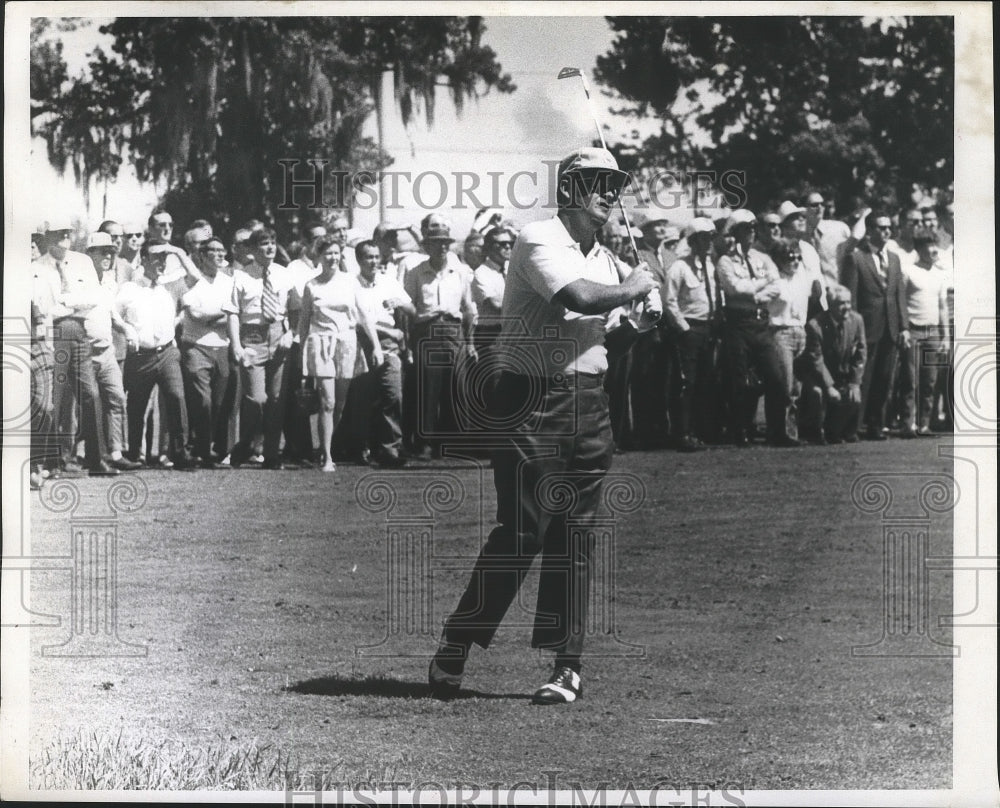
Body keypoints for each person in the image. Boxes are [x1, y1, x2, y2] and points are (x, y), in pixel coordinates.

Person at [429, 147, 657, 705]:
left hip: (587, 402)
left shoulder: (606, 260)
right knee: (523, 531)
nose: (610, 193)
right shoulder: (537, 240)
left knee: (575, 533)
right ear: (571, 189)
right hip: (529, 398)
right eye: (598, 183)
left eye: (615, 184)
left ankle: (567, 665)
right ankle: (458, 642)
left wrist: (639, 323)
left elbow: (600, 337)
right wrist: (637, 285)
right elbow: (577, 297)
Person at [35, 223, 119, 476]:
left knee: (90, 395)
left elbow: (93, 298)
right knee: (55, 400)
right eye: (59, 233)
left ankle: (97, 459)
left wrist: (64, 301)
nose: (65, 237)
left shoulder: (82, 262)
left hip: (80, 331)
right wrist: (69, 304)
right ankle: (53, 462)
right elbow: (43, 308)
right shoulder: (37, 268)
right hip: (54, 333)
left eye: (68, 232)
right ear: (47, 237)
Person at [297, 238, 382, 472]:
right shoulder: (311, 286)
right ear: (319, 257)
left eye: (336, 253)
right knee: (328, 401)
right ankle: (327, 457)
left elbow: (364, 316)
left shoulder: (349, 282)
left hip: (346, 343)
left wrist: (375, 346)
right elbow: (304, 323)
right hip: (320, 343)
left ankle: (325, 446)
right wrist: (302, 354)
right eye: (328, 254)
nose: (333, 258)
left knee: (340, 404)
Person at [717, 209, 795, 446]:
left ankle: (777, 431)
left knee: (776, 378)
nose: (750, 234)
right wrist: (760, 286)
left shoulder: (763, 260)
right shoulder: (725, 261)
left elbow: (777, 286)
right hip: (738, 323)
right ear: (735, 234)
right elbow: (734, 289)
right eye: (744, 230)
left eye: (752, 229)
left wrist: (756, 293)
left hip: (760, 323)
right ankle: (740, 430)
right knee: (739, 379)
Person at [402, 217, 478, 460]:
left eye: (445, 242)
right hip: (427, 330)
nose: (442, 247)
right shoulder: (416, 273)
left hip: (454, 331)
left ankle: (450, 442)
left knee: (456, 386)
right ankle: (424, 442)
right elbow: (407, 309)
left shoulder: (460, 273)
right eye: (436, 243)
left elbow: (468, 310)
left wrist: (470, 342)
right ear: (427, 246)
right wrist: (408, 345)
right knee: (428, 387)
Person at [115, 244, 195, 469]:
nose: (161, 263)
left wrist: (176, 250)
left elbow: (196, 278)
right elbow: (113, 312)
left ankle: (180, 453)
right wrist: (126, 330)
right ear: (143, 260)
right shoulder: (130, 288)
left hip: (167, 352)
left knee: (176, 397)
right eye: (156, 259)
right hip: (141, 356)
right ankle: (133, 454)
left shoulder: (171, 286)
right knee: (137, 406)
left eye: (164, 259)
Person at [224, 227, 295, 469]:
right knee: (257, 399)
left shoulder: (284, 274)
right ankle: (245, 444)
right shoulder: (242, 276)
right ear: (254, 250)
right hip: (251, 336)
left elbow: (296, 309)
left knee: (276, 399)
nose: (270, 247)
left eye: (273, 242)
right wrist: (236, 345)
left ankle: (272, 454)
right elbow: (233, 313)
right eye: (264, 243)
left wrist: (291, 334)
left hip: (278, 336)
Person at [841, 211, 909, 440]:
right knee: (862, 378)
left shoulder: (894, 258)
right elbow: (851, 298)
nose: (886, 231)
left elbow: (899, 295)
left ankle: (875, 425)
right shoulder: (856, 257)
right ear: (869, 231)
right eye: (881, 227)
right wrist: (851, 330)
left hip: (890, 328)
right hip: (866, 328)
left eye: (889, 227)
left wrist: (904, 327)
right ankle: (852, 426)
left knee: (883, 379)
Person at [663, 217, 723, 451]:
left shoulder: (710, 266)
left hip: (708, 328)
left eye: (710, 238)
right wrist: (684, 328)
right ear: (693, 241)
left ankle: (701, 430)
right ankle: (682, 433)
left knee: (705, 381)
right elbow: (669, 301)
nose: (707, 243)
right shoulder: (679, 267)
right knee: (686, 382)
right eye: (703, 238)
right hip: (689, 329)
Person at [353, 239, 415, 467]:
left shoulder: (388, 282)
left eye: (376, 257)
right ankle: (360, 448)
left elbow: (412, 309)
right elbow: (358, 321)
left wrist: (398, 302)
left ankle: (391, 450)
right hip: (361, 343)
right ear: (359, 260)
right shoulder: (351, 284)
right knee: (362, 399)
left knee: (393, 395)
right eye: (369, 257)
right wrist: (388, 330)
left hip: (389, 345)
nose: (373, 262)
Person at [84, 232, 143, 470]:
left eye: (110, 251)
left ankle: (116, 453)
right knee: (88, 403)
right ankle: (83, 457)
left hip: (106, 348)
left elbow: (111, 314)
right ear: (90, 254)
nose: (108, 255)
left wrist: (126, 329)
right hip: (84, 350)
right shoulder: (79, 279)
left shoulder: (109, 282)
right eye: (102, 251)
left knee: (117, 397)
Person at [179, 236, 237, 467]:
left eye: (222, 250)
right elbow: (196, 315)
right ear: (202, 256)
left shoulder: (228, 281)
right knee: (203, 401)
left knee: (220, 403)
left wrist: (219, 315)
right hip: (196, 347)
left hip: (222, 347)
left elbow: (234, 313)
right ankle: (201, 448)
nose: (220, 254)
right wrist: (222, 314)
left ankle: (212, 448)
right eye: (214, 251)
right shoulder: (192, 281)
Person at [767, 237, 826, 442]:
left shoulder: (802, 277)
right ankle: (780, 431)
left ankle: (793, 430)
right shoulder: (773, 279)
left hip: (800, 331)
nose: (794, 261)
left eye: (797, 258)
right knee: (785, 385)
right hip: (780, 331)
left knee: (797, 387)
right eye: (789, 257)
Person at [795, 284, 867, 444]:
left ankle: (837, 431)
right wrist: (828, 386)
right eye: (841, 303)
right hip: (816, 374)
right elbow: (816, 360)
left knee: (854, 396)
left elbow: (861, 353)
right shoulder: (815, 326)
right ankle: (813, 431)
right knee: (817, 393)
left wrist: (854, 382)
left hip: (842, 373)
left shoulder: (857, 320)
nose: (847, 307)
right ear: (831, 305)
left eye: (848, 302)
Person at [898, 228, 949, 437]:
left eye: (935, 245)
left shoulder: (940, 274)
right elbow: (900, 301)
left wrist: (945, 335)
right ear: (919, 249)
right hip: (913, 330)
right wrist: (904, 329)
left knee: (930, 380)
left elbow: (943, 306)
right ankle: (907, 424)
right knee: (910, 379)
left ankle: (924, 424)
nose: (933, 249)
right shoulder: (908, 271)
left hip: (933, 332)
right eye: (929, 246)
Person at [803, 191, 853, 287]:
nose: (820, 208)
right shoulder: (801, 237)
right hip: (813, 295)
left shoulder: (840, 229)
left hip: (840, 290)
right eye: (814, 205)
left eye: (822, 204)